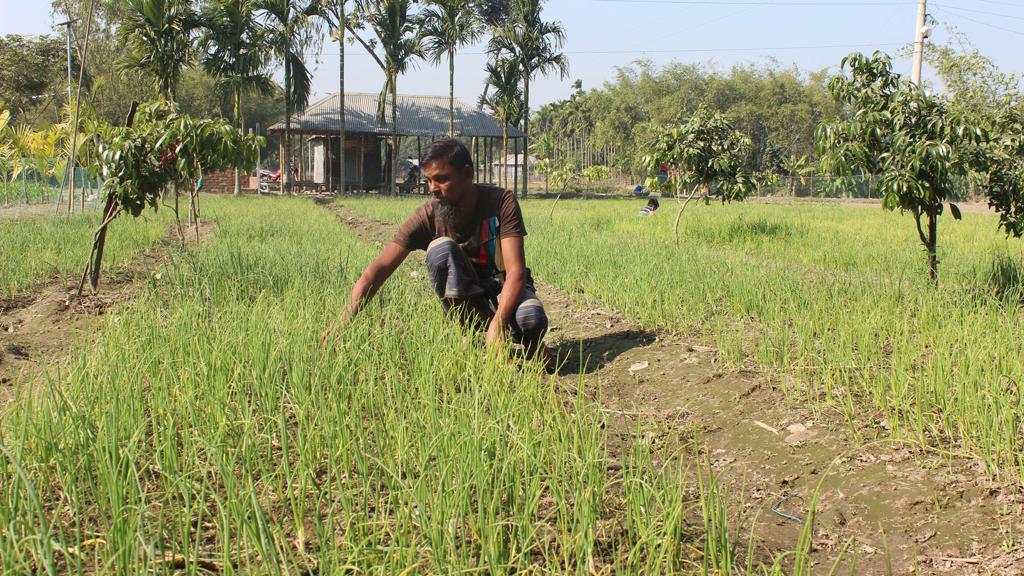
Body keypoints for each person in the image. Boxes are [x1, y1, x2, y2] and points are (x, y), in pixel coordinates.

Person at [343, 139, 549, 358]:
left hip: (504, 287)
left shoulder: (500, 201)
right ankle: (468, 331)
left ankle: (528, 343)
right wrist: (342, 325)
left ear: (467, 174)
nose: (433, 188)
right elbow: (378, 270)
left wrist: (498, 324)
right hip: (469, 297)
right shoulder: (428, 215)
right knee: (440, 249)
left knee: (531, 318)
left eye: (442, 179)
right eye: (429, 180)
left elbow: (516, 272)